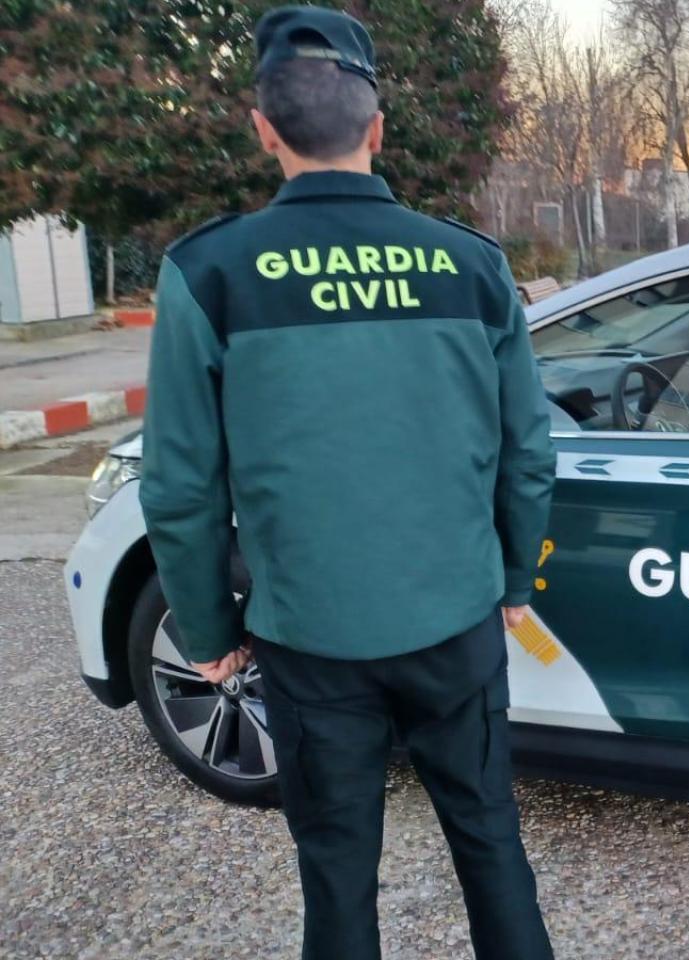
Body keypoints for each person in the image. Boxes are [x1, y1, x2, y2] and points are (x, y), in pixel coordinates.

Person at [138, 7, 557, 959]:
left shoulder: (210, 272)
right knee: (491, 843)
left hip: (310, 637)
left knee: (335, 872)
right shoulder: (471, 264)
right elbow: (527, 451)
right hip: (455, 624)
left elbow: (179, 486)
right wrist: (512, 581)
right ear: (377, 130)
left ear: (264, 129)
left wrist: (207, 632)